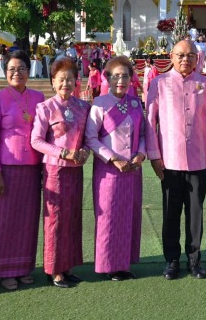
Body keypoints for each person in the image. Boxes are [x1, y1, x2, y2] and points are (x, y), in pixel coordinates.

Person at [146, 39, 206, 280]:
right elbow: (150, 122)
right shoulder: (159, 83)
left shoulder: (205, 84)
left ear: (197, 58)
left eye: (190, 55)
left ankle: (194, 260)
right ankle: (171, 260)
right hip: (169, 160)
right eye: (180, 55)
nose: (185, 60)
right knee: (171, 213)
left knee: (195, 213)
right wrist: (154, 155)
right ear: (171, 56)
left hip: (199, 158)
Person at [0, 50, 45, 291]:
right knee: (3, 220)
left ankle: (23, 267)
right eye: (11, 69)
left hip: (31, 169)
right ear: (5, 72)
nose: (16, 73)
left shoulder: (39, 97)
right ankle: (3, 270)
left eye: (21, 69)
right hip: (5, 170)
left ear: (29, 72)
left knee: (27, 220)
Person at [85, 56, 146, 280]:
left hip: (132, 169)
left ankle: (124, 264)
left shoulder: (135, 103)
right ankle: (107, 265)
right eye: (116, 76)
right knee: (109, 218)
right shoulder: (100, 104)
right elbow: (91, 138)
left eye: (125, 76)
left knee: (129, 215)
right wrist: (113, 159)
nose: (121, 80)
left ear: (131, 79)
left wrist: (140, 154)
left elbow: (142, 135)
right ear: (107, 78)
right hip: (108, 170)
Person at [31, 58, 91, 288]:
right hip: (55, 170)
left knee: (73, 218)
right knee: (55, 219)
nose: (66, 83)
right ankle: (53, 269)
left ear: (77, 81)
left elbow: (88, 138)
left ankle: (68, 266)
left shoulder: (84, 107)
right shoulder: (45, 107)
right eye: (61, 79)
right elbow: (36, 140)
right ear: (53, 82)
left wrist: (84, 151)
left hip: (76, 171)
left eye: (70, 79)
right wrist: (62, 152)